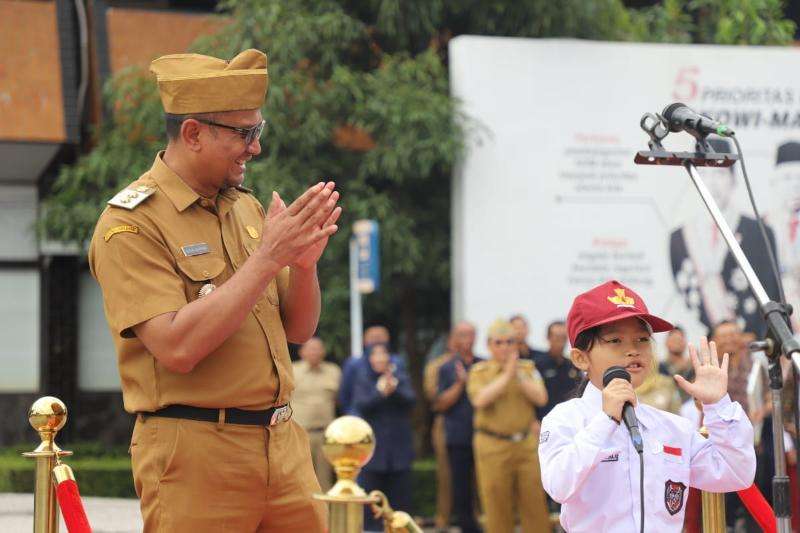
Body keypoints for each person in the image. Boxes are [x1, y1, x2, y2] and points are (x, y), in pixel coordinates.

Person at [88, 49, 340, 531]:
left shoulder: (244, 208)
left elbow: (299, 329)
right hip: (197, 453)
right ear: (193, 133)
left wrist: (303, 265)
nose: (255, 148)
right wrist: (268, 259)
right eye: (244, 134)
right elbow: (176, 347)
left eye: (257, 131)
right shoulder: (130, 224)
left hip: (283, 444)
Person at [538, 280, 756, 532]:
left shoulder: (671, 426)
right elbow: (558, 486)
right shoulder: (566, 419)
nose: (633, 350)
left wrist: (718, 405)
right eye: (615, 341)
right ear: (580, 357)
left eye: (642, 339)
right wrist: (606, 421)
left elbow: (735, 473)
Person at [669, 136, 780, 337]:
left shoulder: (759, 231)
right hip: (704, 344)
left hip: (752, 346)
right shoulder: (678, 238)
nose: (712, 184)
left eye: (719, 174)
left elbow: (772, 293)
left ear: (733, 178)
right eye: (704, 174)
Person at [468, 319, 549, 532]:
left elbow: (541, 398)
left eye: (509, 342)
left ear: (517, 345)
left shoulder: (527, 368)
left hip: (525, 444)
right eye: (498, 342)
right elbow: (480, 400)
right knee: (496, 504)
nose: (504, 347)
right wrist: (506, 375)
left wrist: (518, 375)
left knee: (534, 503)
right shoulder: (479, 371)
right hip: (492, 445)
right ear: (489, 346)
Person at [352, 343, 416, 531]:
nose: (380, 358)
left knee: (400, 502)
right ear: (370, 359)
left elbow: (411, 401)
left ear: (389, 357)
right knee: (371, 503)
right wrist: (380, 393)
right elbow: (361, 404)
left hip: (399, 451)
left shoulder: (400, 377)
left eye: (383, 354)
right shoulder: (363, 379)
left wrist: (394, 389)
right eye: (375, 355)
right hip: (373, 453)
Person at [436, 321, 481, 533]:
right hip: (459, 435)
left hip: (484, 434)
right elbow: (441, 403)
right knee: (461, 487)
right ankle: (467, 526)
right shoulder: (446, 367)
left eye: (471, 335)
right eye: (462, 335)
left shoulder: (483, 364)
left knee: (485, 486)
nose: (467, 340)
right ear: (454, 338)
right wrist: (461, 383)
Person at [292, 337, 341, 491]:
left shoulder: (334, 371)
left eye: (317, 348)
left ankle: (325, 514)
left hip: (325, 434)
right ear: (302, 352)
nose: (314, 352)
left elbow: (341, 399)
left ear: (323, 352)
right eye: (310, 349)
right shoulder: (291, 369)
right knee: (298, 479)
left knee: (324, 480)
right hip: (299, 434)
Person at [423, 334, 455, 532]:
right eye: (459, 337)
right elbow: (432, 396)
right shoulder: (436, 366)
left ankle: (475, 517)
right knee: (445, 475)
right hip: (444, 423)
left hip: (471, 425)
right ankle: (443, 520)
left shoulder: (476, 364)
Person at [339, 325, 404, 415]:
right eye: (373, 338)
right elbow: (345, 394)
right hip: (361, 415)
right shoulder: (353, 364)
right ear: (364, 340)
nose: (377, 341)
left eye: (380, 337)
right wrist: (351, 413)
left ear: (388, 339)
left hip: (390, 416)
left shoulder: (396, 362)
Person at [533, 320, 581, 420]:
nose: (560, 341)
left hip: (570, 419)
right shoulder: (537, 365)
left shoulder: (573, 365)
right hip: (544, 420)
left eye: (563, 337)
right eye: (557, 337)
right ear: (548, 338)